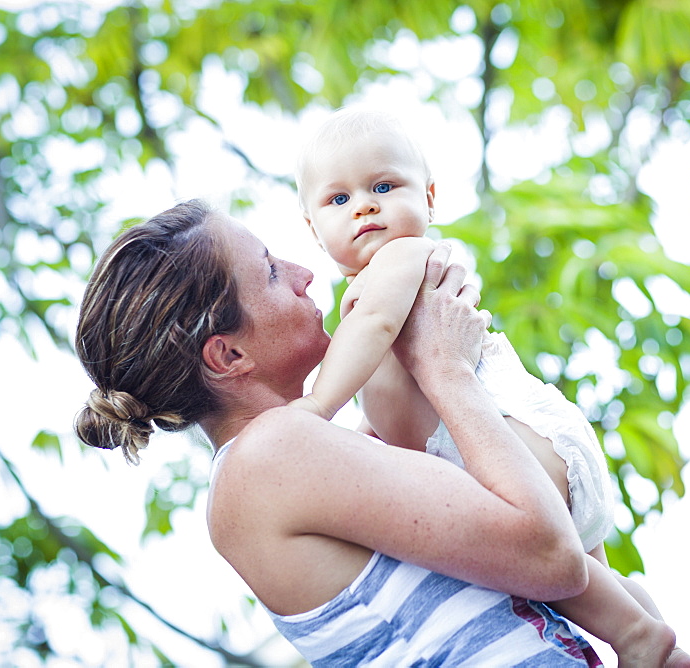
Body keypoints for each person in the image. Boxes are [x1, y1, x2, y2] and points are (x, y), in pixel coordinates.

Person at [73, 200, 604, 666]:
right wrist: (448, 369)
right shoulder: (269, 454)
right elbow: (553, 558)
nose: (304, 273)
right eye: (272, 272)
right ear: (228, 355)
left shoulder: (276, 468)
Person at [292, 107, 690, 667]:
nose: (364, 205)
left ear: (429, 198)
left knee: (556, 570)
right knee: (589, 571)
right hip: (523, 437)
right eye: (339, 200)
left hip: (506, 439)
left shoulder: (401, 258)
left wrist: (315, 407)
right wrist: (364, 434)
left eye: (384, 186)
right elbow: (391, 401)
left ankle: (638, 637)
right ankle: (648, 623)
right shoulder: (393, 275)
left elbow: (374, 328)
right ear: (313, 229)